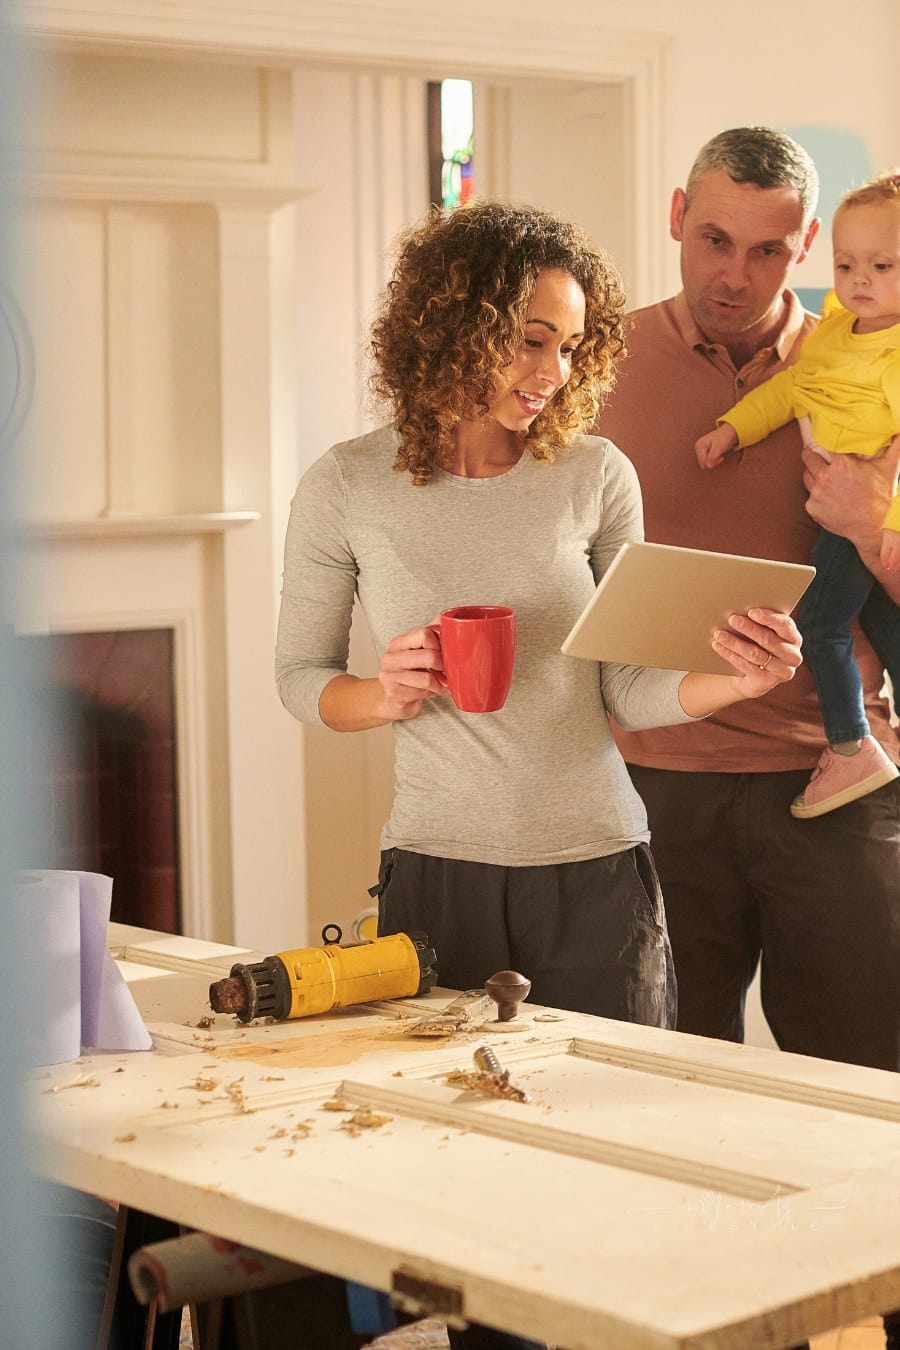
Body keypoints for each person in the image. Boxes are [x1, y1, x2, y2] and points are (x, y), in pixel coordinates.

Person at [275, 198, 802, 1350]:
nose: (554, 372)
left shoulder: (595, 476)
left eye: (570, 345)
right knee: (461, 1186)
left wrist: (731, 681)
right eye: (529, 338)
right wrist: (390, 691)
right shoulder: (349, 485)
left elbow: (628, 693)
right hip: (437, 883)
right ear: (451, 323)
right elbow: (299, 676)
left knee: (613, 1186)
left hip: (597, 877)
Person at [597, 127, 900, 1350]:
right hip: (654, 785)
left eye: (771, 248)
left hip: (842, 785)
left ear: (809, 247)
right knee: (670, 1102)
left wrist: (872, 533)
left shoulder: (865, 354)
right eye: (716, 237)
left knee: (870, 1100)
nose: (738, 271)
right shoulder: (597, 362)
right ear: (677, 214)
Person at [694, 172, 900, 819]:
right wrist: (733, 428)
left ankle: (849, 747)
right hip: (842, 506)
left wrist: (882, 521)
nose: (859, 278)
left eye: (882, 264)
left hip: (861, 509)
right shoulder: (835, 333)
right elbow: (790, 393)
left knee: (819, 623)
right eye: (846, 264)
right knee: (886, 626)